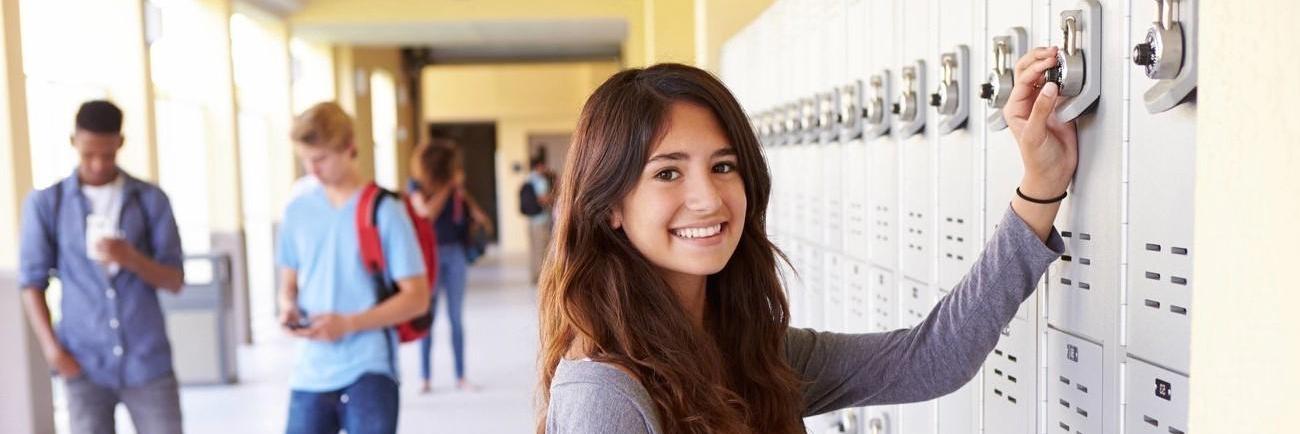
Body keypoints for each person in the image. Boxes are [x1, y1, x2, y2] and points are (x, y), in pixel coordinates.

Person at [538, 48, 1077, 433]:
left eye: (723, 166)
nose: (707, 199)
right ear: (609, 205)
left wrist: (1040, 186)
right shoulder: (606, 393)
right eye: (667, 174)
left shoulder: (744, 349)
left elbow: (932, 357)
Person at [18, 100, 186, 434]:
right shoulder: (47, 204)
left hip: (147, 361)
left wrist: (132, 258)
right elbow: (32, 282)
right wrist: (53, 352)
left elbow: (175, 281)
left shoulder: (151, 200)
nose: (97, 164)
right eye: (87, 154)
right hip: (83, 364)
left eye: (107, 155)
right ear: (73, 142)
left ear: (120, 143)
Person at [277, 102, 430, 434]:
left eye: (321, 159)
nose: (312, 170)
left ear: (349, 149)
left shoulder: (385, 211)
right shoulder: (297, 211)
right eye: (305, 159)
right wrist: (288, 308)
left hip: (370, 366)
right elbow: (288, 283)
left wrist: (348, 323)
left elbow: (417, 298)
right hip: (310, 369)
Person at [408, 139, 494, 393]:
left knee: (456, 317)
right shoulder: (416, 186)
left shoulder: (454, 187)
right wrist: (447, 188)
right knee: (427, 316)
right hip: (428, 256)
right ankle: (425, 377)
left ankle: (461, 375)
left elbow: (476, 215)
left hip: (455, 253)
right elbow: (426, 214)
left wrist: (463, 195)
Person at [521, 149, 556, 284]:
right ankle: (540, 277)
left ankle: (536, 276)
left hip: (532, 220)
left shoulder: (528, 179)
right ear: (539, 166)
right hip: (540, 220)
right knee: (541, 249)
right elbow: (543, 199)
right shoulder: (538, 180)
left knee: (535, 249)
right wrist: (552, 198)